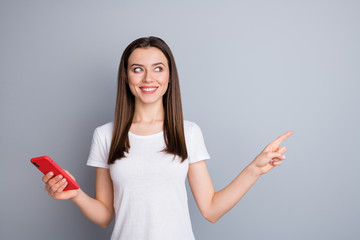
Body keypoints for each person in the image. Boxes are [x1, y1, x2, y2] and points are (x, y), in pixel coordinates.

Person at [42, 36, 293, 240]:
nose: (148, 78)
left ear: (169, 76)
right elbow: (105, 215)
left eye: (158, 69)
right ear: (126, 77)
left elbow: (211, 209)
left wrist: (254, 170)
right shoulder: (105, 135)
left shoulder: (188, 132)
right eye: (137, 69)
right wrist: (75, 194)